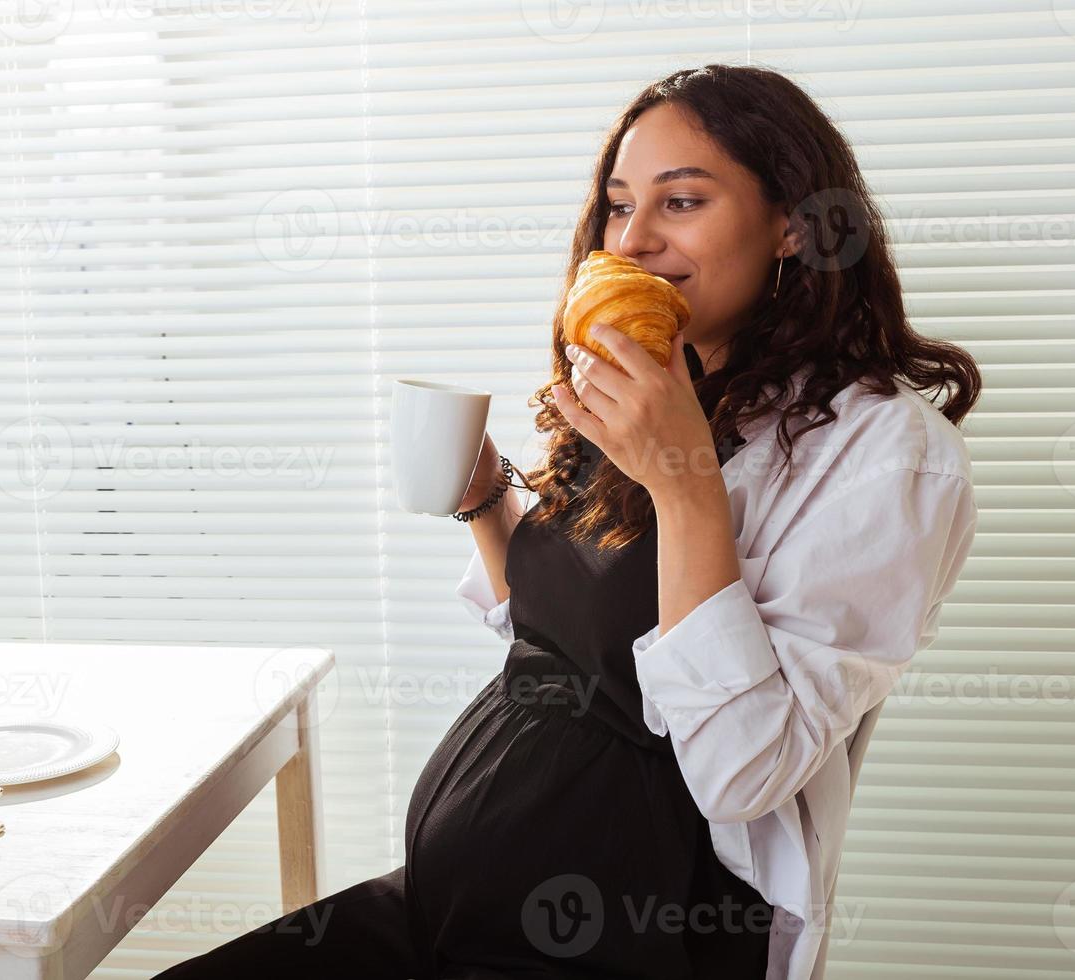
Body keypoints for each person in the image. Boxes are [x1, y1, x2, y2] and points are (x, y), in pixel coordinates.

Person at [156, 62, 981, 980]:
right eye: (618, 206)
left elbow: (747, 769)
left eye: (682, 202)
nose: (631, 240)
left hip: (632, 939)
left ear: (792, 222)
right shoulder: (656, 379)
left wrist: (683, 483)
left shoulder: (886, 456)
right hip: (444, 907)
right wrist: (483, 500)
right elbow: (570, 633)